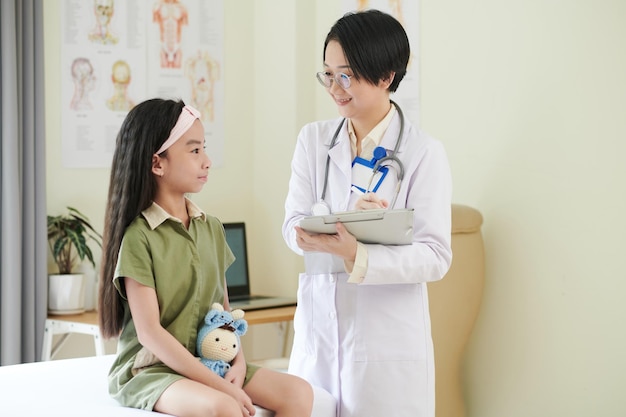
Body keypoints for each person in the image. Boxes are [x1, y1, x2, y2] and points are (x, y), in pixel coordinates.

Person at [282, 10, 452, 417]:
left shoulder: (423, 153)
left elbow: (435, 255)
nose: (335, 88)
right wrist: (312, 233)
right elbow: (291, 225)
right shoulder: (313, 140)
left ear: (386, 76)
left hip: (386, 352)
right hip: (319, 344)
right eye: (328, 74)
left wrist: (358, 254)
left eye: (347, 75)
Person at [98, 98, 313, 417]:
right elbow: (150, 333)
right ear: (158, 163)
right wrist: (224, 387)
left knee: (298, 392)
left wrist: (237, 362)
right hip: (153, 371)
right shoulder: (138, 237)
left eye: (204, 149)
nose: (207, 161)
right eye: (195, 150)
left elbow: (224, 312)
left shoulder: (211, 228)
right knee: (223, 407)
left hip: (209, 359)